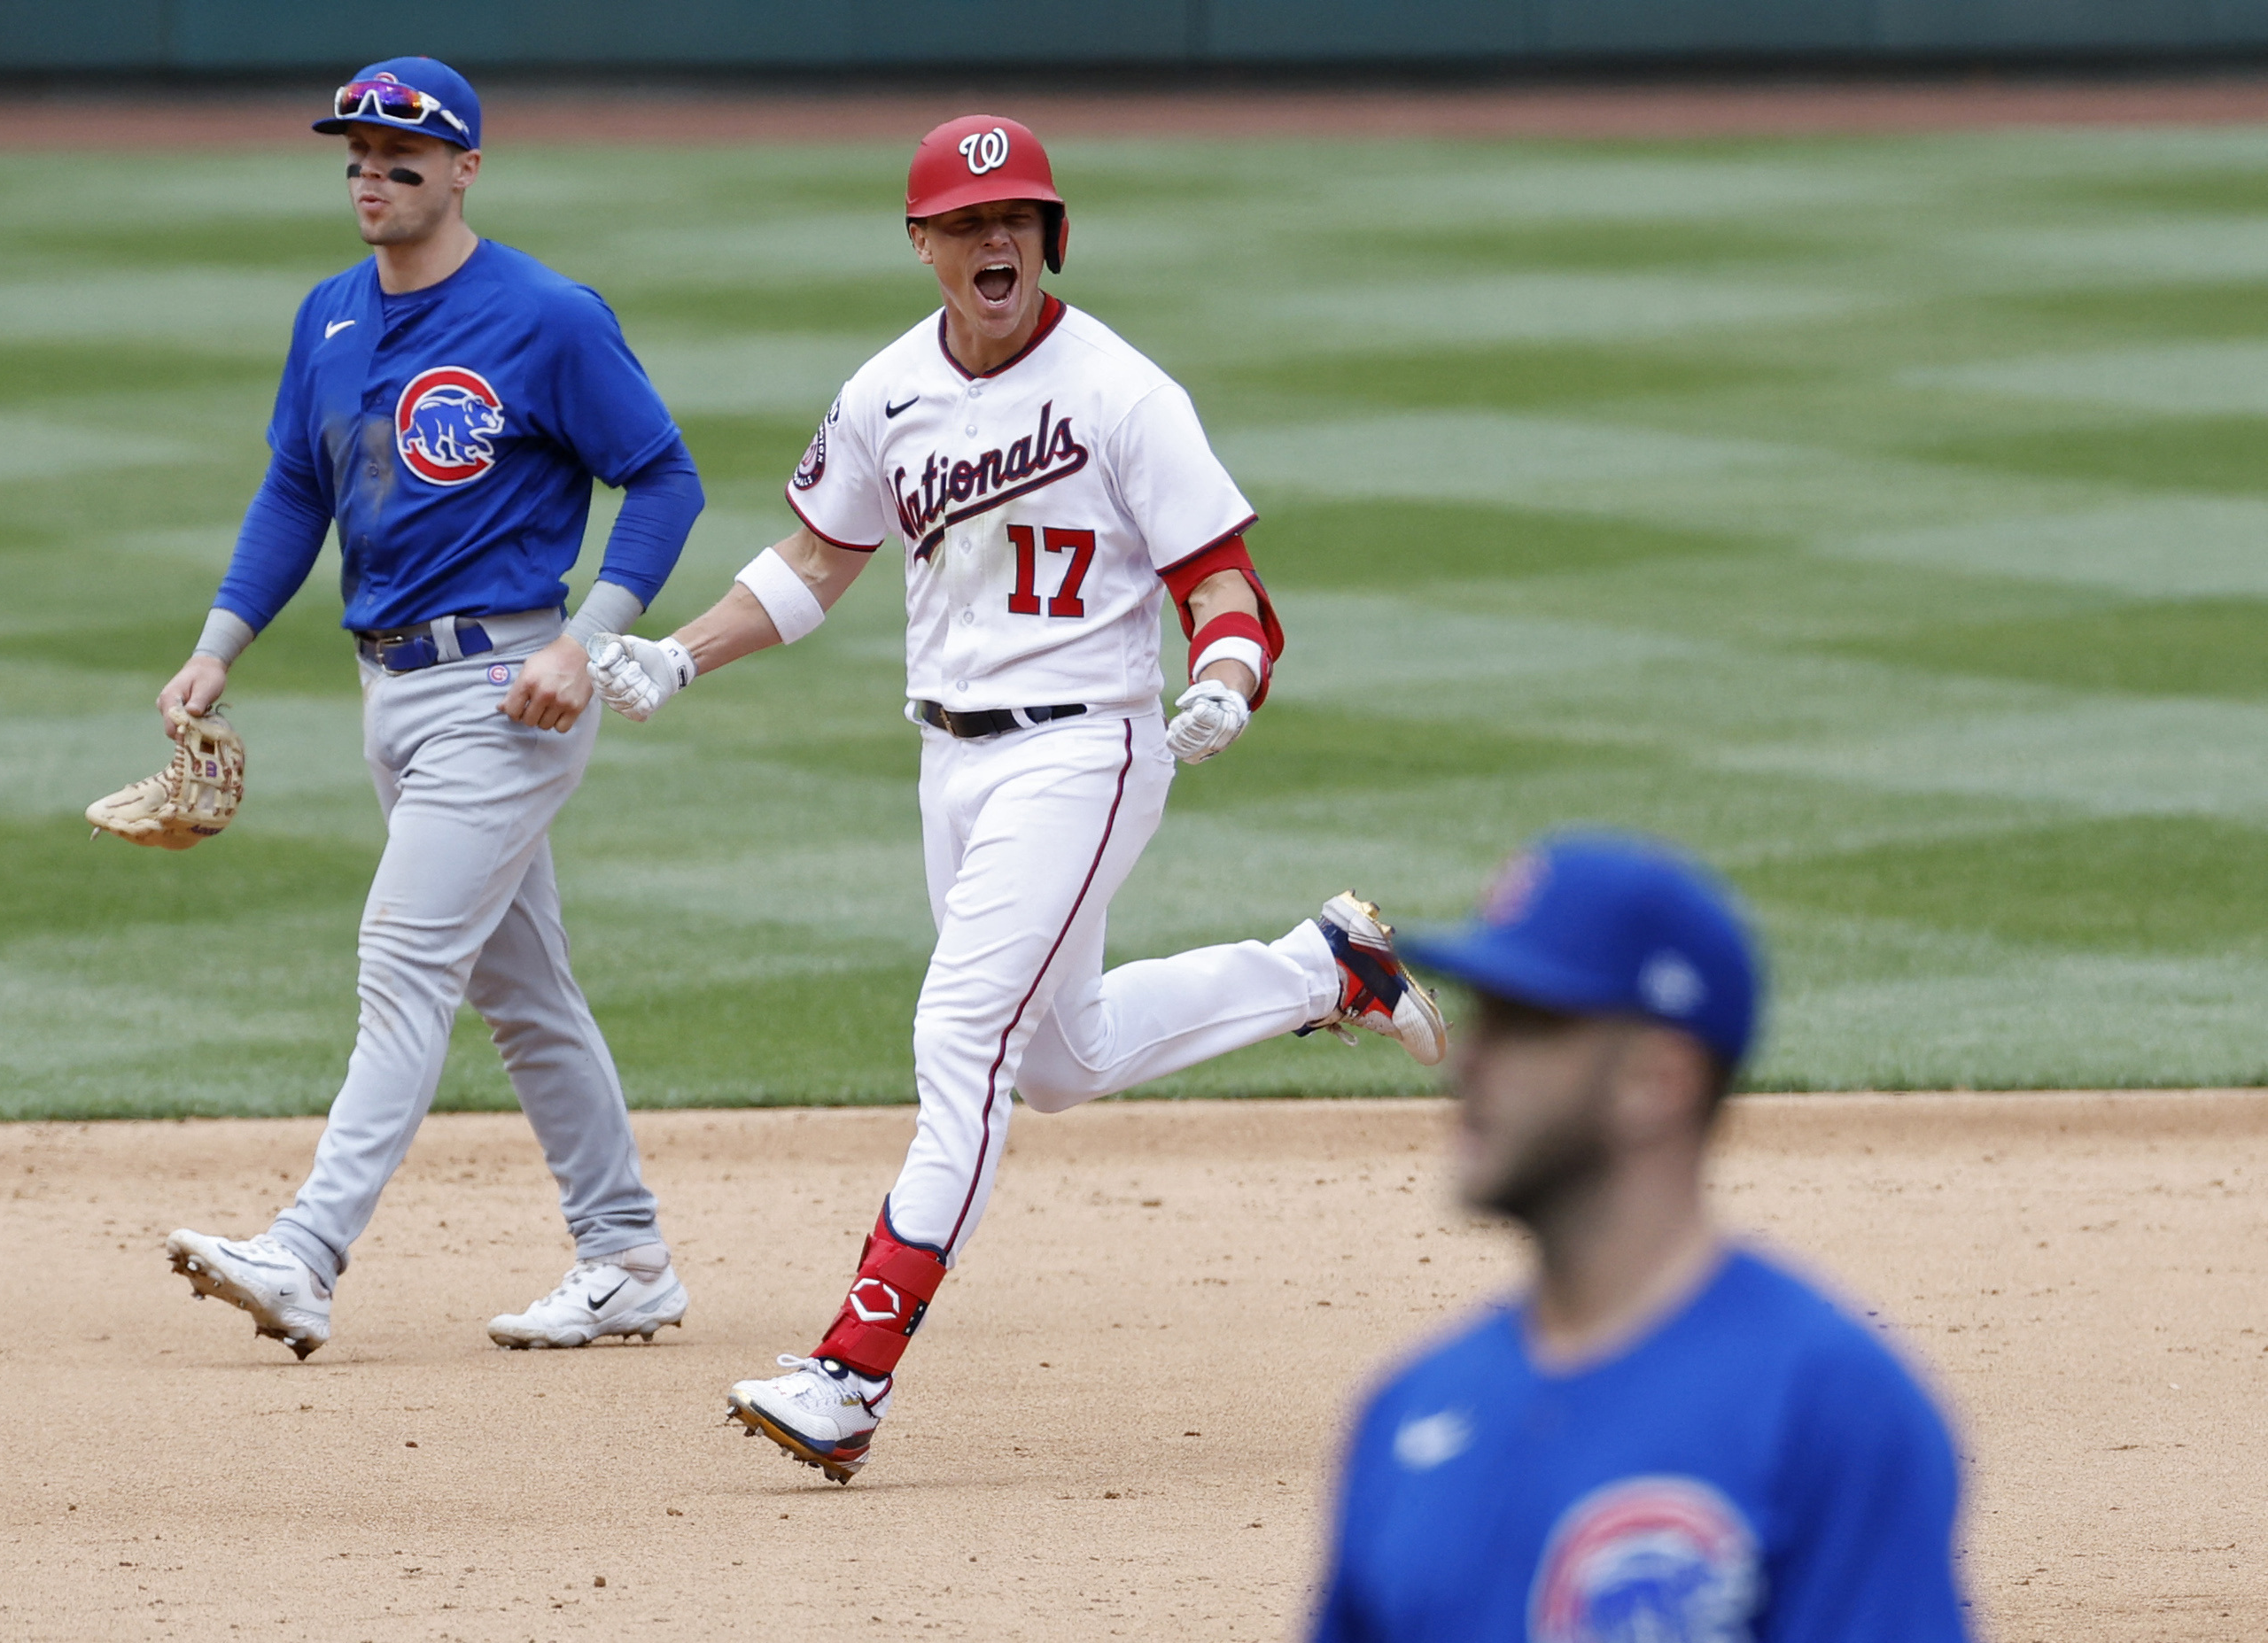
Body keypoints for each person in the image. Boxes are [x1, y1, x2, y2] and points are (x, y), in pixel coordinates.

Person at [582, 114, 1449, 1482]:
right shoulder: (883, 393)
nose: (998, 244)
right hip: (953, 761)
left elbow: (1220, 579)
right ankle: (1321, 966)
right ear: (923, 243)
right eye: (969, 224)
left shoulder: (1122, 391)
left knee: (961, 1039)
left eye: (1020, 221)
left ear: (1051, 236)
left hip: (1085, 749)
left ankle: (846, 1373)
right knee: (1057, 1058)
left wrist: (1226, 671)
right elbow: (816, 557)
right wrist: (677, 654)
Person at [158, 58, 701, 1360]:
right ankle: (625, 1253)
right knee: (525, 993)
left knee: (401, 961)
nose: (374, 175)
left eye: (404, 156)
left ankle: (307, 1247)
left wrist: (589, 640)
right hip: (387, 692)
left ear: (464, 169)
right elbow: (297, 490)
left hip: (506, 693)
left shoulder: (547, 316)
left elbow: (663, 477)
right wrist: (217, 645)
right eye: (357, 154)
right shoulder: (330, 317)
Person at [1312, 832, 1973, 1642]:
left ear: (1657, 1079)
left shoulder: (1826, 1407)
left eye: (1528, 1024)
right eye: (1483, 1017)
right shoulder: (1408, 1409)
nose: (1471, 1061)